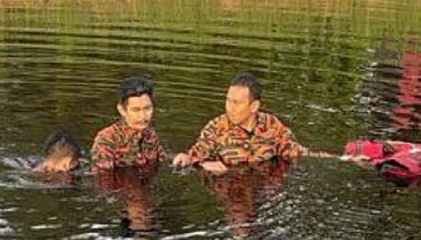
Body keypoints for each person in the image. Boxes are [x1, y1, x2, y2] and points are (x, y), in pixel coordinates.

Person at [172, 73, 315, 174]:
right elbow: (196, 154)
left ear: (254, 106)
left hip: (262, 186)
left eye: (236, 103)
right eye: (228, 100)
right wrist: (192, 162)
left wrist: (335, 158)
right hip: (228, 182)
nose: (229, 108)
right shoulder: (217, 127)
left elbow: (298, 152)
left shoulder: (272, 125)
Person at [90, 76, 167, 171]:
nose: (143, 116)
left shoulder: (150, 134)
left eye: (147, 108)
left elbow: (163, 161)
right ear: (122, 110)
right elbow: (102, 177)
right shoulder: (107, 138)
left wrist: (180, 160)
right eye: (136, 110)